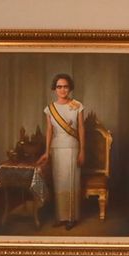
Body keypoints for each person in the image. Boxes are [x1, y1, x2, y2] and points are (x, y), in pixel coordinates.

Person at [35, 73, 87, 230]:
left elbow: (82, 129)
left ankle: (71, 217)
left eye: (65, 86)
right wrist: (46, 152)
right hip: (56, 148)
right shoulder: (50, 108)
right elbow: (49, 131)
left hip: (72, 147)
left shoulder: (78, 105)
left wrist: (82, 151)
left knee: (71, 182)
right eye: (59, 87)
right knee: (59, 183)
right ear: (54, 89)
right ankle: (60, 217)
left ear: (70, 88)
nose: (62, 89)